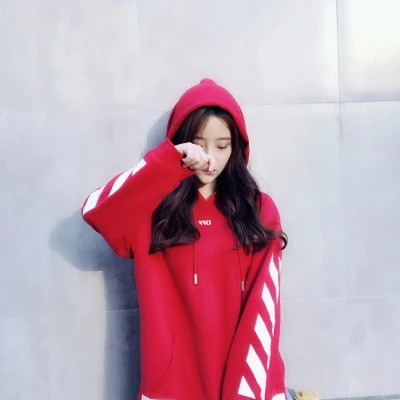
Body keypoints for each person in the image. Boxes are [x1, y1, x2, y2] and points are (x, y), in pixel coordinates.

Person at [81, 78, 289, 400]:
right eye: (199, 144)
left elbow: (264, 309)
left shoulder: (258, 210)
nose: (210, 157)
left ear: (236, 148)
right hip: (171, 390)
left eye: (222, 146)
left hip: (244, 387)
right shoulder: (151, 208)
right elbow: (97, 212)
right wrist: (168, 161)